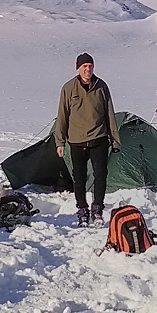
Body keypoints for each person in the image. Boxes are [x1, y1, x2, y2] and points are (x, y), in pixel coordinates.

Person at [55, 53, 121, 226]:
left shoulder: (101, 86)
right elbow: (62, 116)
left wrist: (115, 140)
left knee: (101, 175)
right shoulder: (69, 88)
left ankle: (97, 209)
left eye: (90, 66)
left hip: (99, 138)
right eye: (84, 66)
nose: (88, 69)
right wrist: (59, 141)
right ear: (78, 68)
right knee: (79, 177)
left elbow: (109, 113)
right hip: (76, 141)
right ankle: (82, 209)